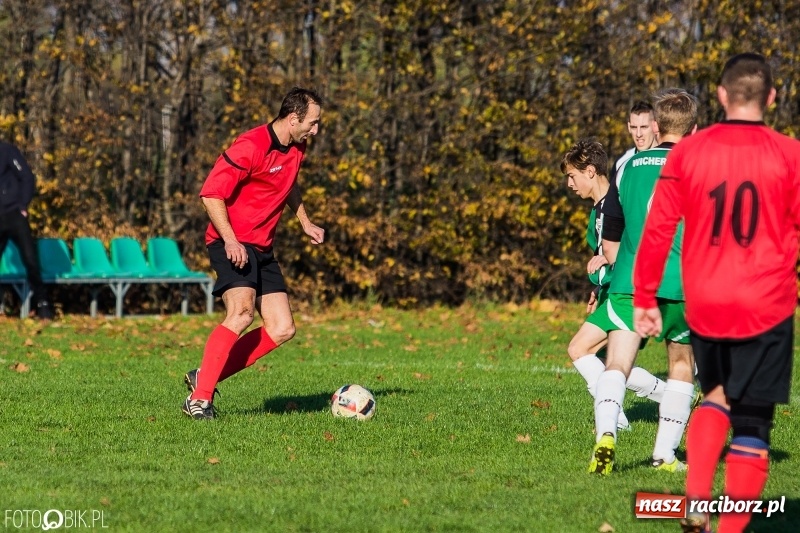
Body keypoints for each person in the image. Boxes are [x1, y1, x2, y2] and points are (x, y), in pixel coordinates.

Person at [633, 54, 799, 533]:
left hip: (705, 299)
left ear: (722, 97)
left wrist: (645, 295)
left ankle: (696, 503)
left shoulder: (687, 152)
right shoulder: (791, 155)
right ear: (771, 98)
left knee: (716, 395)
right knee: (752, 422)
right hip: (766, 302)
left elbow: (658, 227)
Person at [183, 87, 325, 420]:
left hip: (262, 246)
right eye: (313, 123)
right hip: (229, 242)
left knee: (282, 328)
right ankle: (199, 401)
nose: (316, 130)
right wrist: (231, 240)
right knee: (242, 314)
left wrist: (304, 220)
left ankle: (203, 376)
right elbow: (211, 195)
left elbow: (288, 183)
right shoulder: (250, 146)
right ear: (293, 119)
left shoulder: (296, 147)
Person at [587, 89, 698, 475]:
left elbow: (611, 231)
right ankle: (664, 454)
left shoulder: (628, 167)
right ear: (695, 129)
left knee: (616, 362)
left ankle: (605, 437)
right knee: (681, 364)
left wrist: (614, 271)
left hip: (630, 279)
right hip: (678, 282)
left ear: (655, 127)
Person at [561, 138, 665, 432]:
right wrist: (598, 285)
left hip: (628, 292)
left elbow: (624, 257)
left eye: (572, 175)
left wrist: (602, 274)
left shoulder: (614, 207)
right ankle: (670, 396)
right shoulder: (599, 209)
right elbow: (605, 260)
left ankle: (615, 421)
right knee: (615, 364)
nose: (570, 183)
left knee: (580, 349)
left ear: (590, 171)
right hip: (616, 292)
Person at [0, 141, 54, 320]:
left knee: (30, 259)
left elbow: (27, 177)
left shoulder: (7, 150)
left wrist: (23, 205)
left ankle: (43, 304)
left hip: (14, 214)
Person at [610, 101, 659, 187]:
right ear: (629, 127)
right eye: (634, 127)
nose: (638, 134)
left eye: (644, 127)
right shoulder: (621, 163)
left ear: (655, 126)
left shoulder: (668, 158)